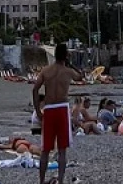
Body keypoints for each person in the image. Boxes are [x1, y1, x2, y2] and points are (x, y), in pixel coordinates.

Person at [33, 42, 81, 184]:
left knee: (45, 149)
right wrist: (70, 63)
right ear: (65, 55)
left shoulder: (46, 71)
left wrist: (37, 110)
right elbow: (80, 76)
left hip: (48, 109)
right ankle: (60, 180)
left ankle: (41, 181)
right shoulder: (68, 72)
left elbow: (35, 89)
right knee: (62, 149)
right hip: (62, 108)